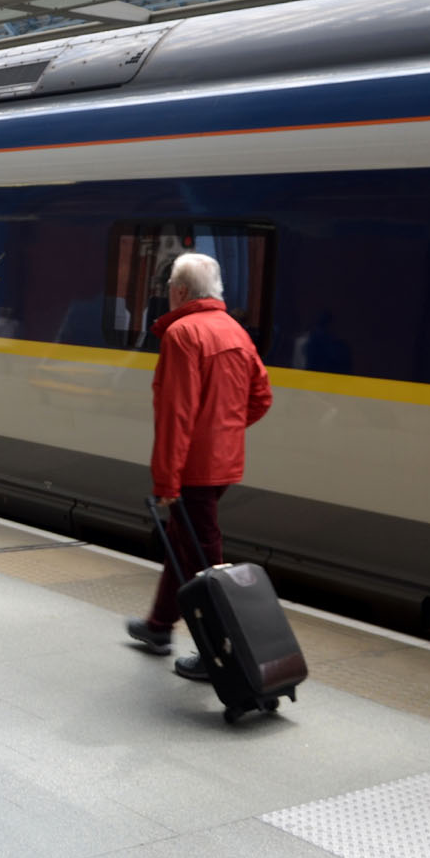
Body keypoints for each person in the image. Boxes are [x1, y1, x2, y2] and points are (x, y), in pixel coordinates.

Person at [125, 253, 273, 679]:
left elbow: (177, 415)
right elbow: (261, 398)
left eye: (169, 284)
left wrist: (167, 480)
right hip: (224, 464)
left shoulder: (182, 334)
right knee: (184, 542)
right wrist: (224, 431)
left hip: (192, 468)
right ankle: (158, 627)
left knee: (204, 561)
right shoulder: (235, 331)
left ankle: (221, 653)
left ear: (181, 291)